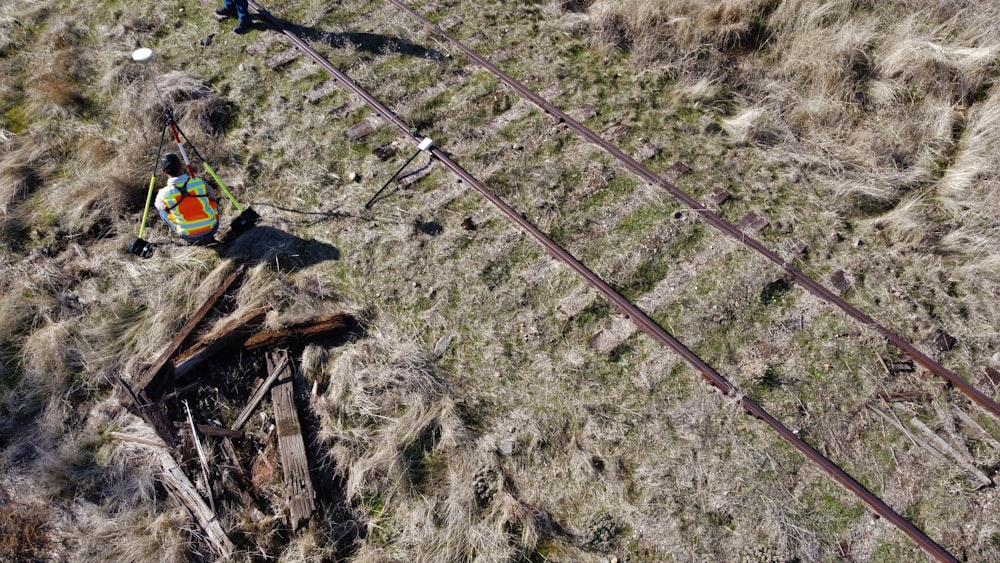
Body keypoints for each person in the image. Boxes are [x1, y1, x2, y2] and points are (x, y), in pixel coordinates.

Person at [155, 153, 220, 245]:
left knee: (162, 210)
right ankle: (207, 231)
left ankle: (188, 231)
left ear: (163, 171)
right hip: (211, 229)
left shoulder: (162, 194)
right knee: (212, 200)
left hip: (188, 235)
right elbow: (213, 198)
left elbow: (159, 206)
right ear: (181, 166)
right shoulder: (199, 183)